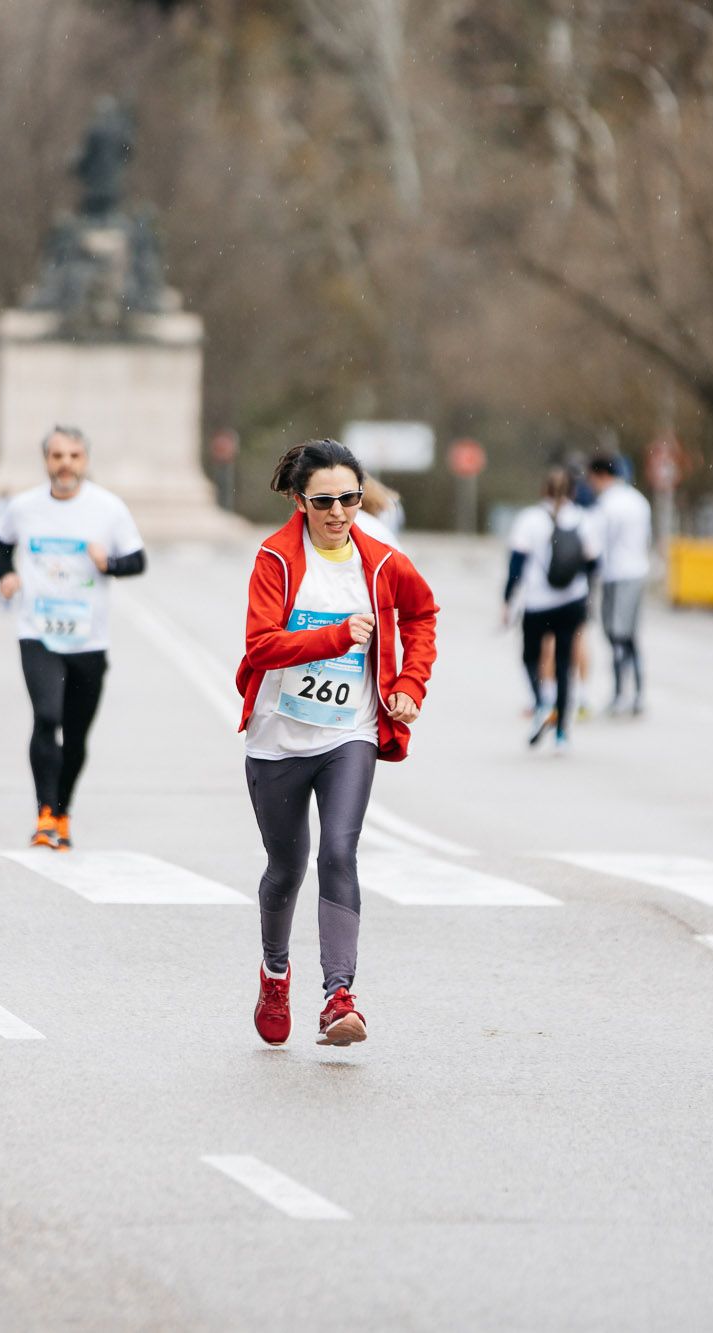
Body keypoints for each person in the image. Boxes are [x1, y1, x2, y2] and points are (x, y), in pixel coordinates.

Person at [238, 439, 438, 1048]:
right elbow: (261, 645)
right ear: (300, 501)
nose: (338, 512)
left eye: (349, 499)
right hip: (277, 739)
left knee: (340, 853)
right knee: (286, 868)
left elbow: (423, 615)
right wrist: (333, 637)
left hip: (349, 733)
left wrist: (409, 684)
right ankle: (276, 973)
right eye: (323, 501)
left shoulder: (380, 561)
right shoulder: (276, 559)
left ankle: (338, 996)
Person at [0, 425, 146, 851]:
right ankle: (44, 813)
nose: (65, 464)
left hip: (88, 641)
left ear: (85, 461)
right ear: (46, 461)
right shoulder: (23, 507)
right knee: (46, 717)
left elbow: (138, 560)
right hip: (37, 633)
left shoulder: (107, 508)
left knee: (76, 736)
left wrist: (109, 563)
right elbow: (0, 543)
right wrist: (7, 574)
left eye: (74, 456)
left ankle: (62, 811)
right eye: (57, 456)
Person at [506, 467, 595, 751]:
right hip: (572, 602)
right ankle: (561, 734)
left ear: (544, 489)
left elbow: (516, 565)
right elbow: (594, 563)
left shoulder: (530, 519)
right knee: (564, 662)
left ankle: (542, 700)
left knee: (530, 656)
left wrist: (508, 599)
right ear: (573, 491)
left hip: (538, 603)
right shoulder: (583, 519)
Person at [589, 455, 652, 715]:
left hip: (616, 575)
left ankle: (619, 694)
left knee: (615, 635)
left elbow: (596, 545)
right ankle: (637, 693)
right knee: (631, 635)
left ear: (602, 475)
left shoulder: (607, 505)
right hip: (638, 571)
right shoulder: (639, 501)